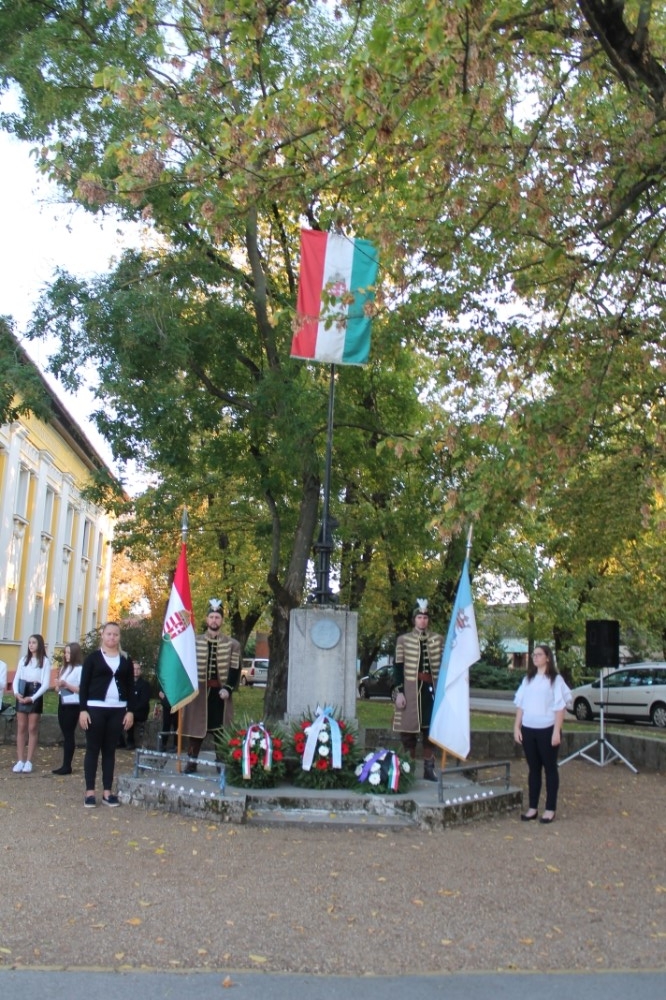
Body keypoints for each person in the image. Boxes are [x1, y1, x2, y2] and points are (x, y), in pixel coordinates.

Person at [79, 622, 136, 807]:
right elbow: (84, 685)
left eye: (115, 634)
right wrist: (82, 710)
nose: (112, 637)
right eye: (109, 634)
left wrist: (130, 711)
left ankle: (107, 792)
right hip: (95, 708)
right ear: (102, 635)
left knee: (110, 750)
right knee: (93, 749)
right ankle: (89, 792)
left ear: (119, 637)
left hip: (118, 710)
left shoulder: (125, 660)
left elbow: (130, 687)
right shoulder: (93, 658)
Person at [181, 598, 241, 773]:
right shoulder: (194, 641)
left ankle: (221, 763)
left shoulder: (233, 644)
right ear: (207, 619)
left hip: (219, 693)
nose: (214, 620)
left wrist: (228, 689)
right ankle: (192, 761)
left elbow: (235, 669)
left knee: (221, 730)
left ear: (222, 621)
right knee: (196, 729)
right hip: (199, 693)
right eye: (212, 617)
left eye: (217, 617)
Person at [513, 644, 572, 824]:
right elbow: (521, 704)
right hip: (528, 729)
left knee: (550, 768)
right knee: (534, 769)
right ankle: (532, 807)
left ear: (547, 657)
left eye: (539, 654)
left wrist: (556, 731)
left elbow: (560, 707)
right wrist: (517, 727)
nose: (535, 657)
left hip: (547, 729)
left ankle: (550, 808)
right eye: (534, 654)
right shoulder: (528, 679)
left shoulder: (555, 680)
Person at [392, 598, 445, 781]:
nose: (422, 620)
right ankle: (408, 768)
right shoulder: (403, 640)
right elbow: (398, 667)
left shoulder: (438, 639)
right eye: (419, 617)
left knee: (431, 730)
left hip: (431, 691)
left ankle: (429, 769)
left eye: (425, 617)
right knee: (408, 732)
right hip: (411, 690)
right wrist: (399, 692)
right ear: (414, 619)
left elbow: (445, 666)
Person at [12, 634, 52, 773]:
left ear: (39, 644)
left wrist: (33, 698)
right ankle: (20, 760)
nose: (31, 645)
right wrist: (16, 693)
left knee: (32, 727)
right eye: (29, 642)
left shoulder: (45, 661)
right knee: (21, 727)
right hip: (22, 691)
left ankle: (29, 761)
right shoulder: (24, 660)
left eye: (34, 642)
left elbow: (45, 684)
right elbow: (16, 678)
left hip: (35, 693)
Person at [52, 641, 84, 775]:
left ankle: (67, 765)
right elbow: (58, 689)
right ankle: (65, 764)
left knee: (69, 733)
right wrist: (58, 685)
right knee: (65, 732)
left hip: (73, 703)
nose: (66, 655)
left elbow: (81, 690)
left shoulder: (79, 669)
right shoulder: (64, 669)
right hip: (63, 701)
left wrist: (66, 684)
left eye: (69, 653)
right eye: (65, 653)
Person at [124, 661, 152, 749]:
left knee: (130, 717)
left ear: (140, 671)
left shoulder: (145, 685)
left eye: (138, 669)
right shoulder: (127, 684)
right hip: (128, 709)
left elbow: (144, 702)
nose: (135, 671)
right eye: (134, 669)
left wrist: (131, 711)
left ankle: (130, 741)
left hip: (140, 711)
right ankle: (119, 740)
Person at [158, 688, 178, 752]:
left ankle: (176, 745)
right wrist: (164, 699)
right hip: (167, 704)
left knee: (176, 724)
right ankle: (163, 744)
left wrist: (164, 699)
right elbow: (161, 693)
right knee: (166, 724)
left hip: (176, 702)